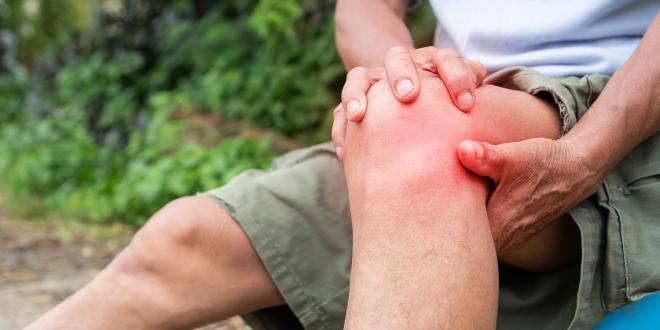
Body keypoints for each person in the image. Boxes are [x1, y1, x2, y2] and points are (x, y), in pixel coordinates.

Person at [28, 0, 660, 329]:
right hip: (454, 107)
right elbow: (358, 8)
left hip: (622, 109)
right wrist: (404, 74)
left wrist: (584, 154)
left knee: (418, 131)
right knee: (185, 244)